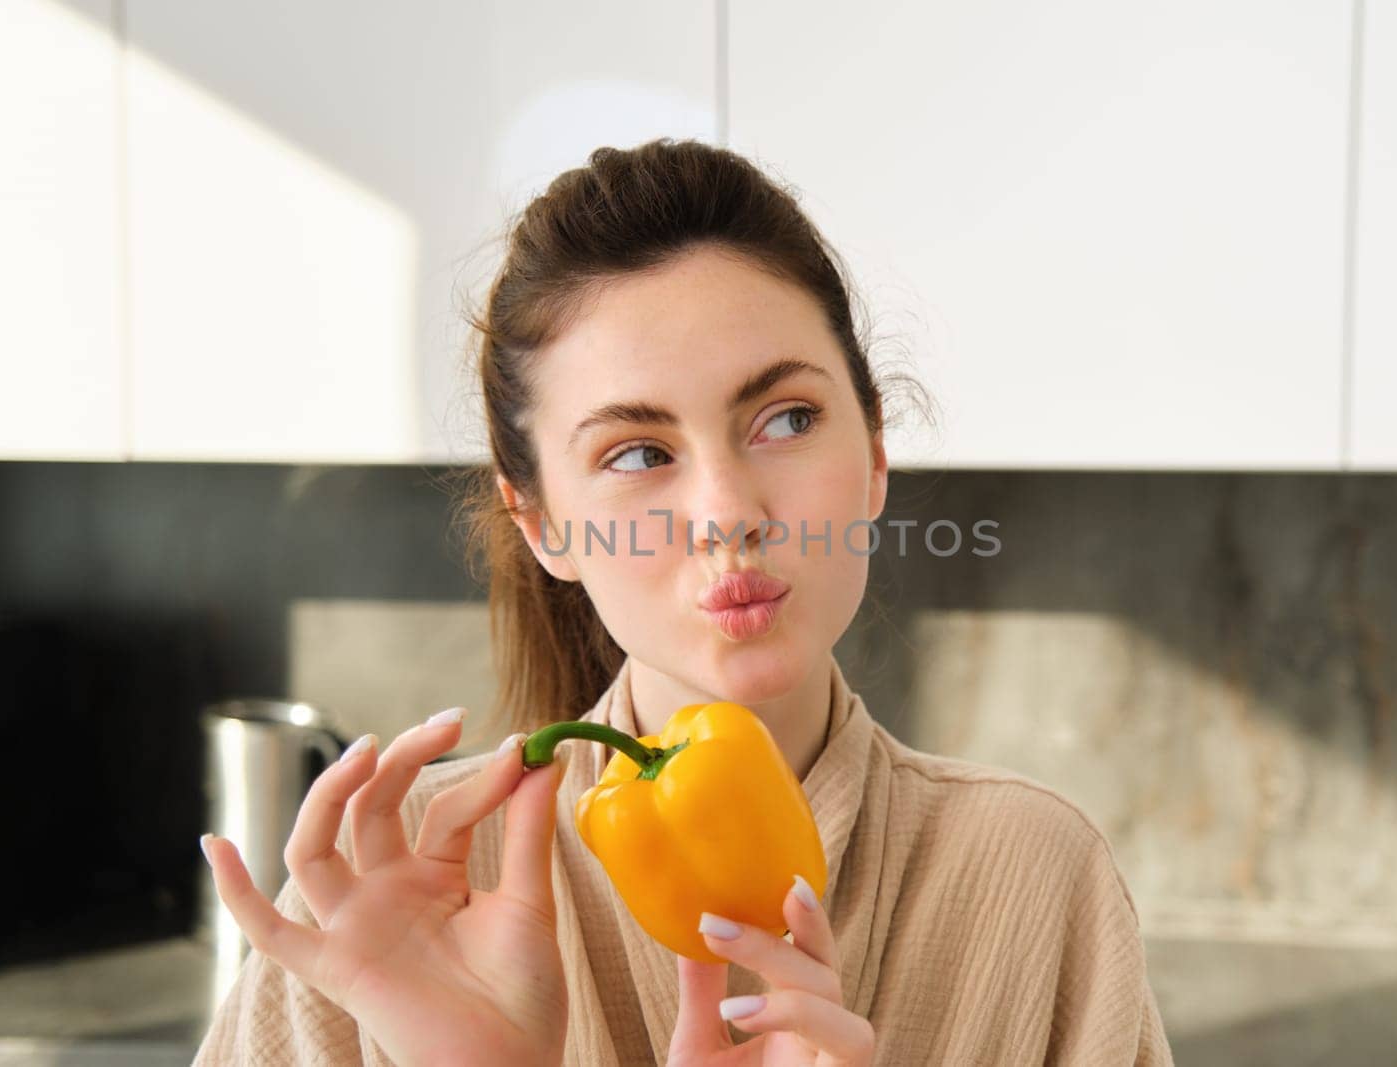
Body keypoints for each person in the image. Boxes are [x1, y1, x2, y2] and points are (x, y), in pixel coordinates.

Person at [194, 138, 1174, 1066]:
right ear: (541, 522)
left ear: (873, 453)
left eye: (785, 419)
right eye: (637, 453)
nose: (726, 514)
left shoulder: (1039, 879)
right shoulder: (388, 901)